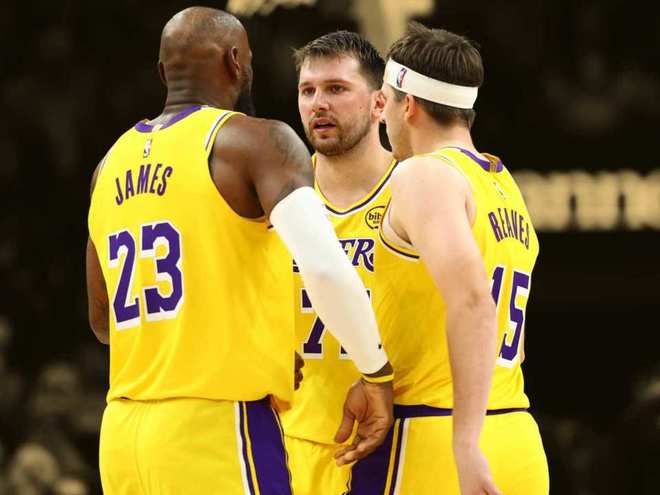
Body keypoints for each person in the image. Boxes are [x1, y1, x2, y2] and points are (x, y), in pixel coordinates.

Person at [85, 8, 394, 495]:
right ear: (235, 62)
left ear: (164, 73)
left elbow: (103, 322)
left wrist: (246, 342)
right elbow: (324, 268)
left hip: (123, 435)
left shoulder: (108, 165)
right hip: (213, 430)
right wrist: (376, 372)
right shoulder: (255, 141)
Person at [347, 23, 549, 494]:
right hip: (515, 433)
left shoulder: (424, 175)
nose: (383, 118)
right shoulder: (502, 183)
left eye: (386, 103)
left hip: (437, 436)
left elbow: (474, 302)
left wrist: (465, 443)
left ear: (408, 106)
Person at [279, 32, 397, 495]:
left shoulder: (419, 190)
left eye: (336, 88)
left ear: (379, 103)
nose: (318, 104)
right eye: (307, 91)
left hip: (389, 437)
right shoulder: (275, 193)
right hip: (289, 440)